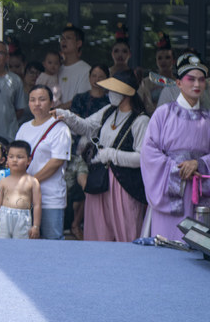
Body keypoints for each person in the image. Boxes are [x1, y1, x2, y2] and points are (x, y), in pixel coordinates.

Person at [55, 71, 149, 242]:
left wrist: (113, 154)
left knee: (126, 231)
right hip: (100, 179)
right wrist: (67, 117)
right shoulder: (109, 111)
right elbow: (87, 126)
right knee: (98, 231)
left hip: (124, 184)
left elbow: (142, 158)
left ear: (126, 93)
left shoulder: (141, 120)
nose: (109, 94)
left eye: (113, 90)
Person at [140, 53, 210, 239]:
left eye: (201, 80)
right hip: (169, 192)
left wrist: (198, 164)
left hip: (199, 190)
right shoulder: (163, 114)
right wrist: (175, 169)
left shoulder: (208, 119)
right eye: (191, 79)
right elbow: (149, 152)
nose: (196, 84)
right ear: (178, 83)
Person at [16, 85, 72, 240]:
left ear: (52, 103)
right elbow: (16, 157)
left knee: (52, 243)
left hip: (50, 198)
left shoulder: (60, 129)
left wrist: (31, 182)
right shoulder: (24, 128)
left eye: (42, 99)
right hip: (25, 198)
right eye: (32, 100)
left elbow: (56, 162)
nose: (37, 104)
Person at [64, 64, 111, 239]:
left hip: (97, 150)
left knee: (88, 187)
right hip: (76, 147)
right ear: (89, 77)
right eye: (94, 75)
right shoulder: (79, 98)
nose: (97, 79)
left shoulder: (109, 102)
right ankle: (69, 223)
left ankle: (78, 223)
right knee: (70, 187)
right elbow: (74, 122)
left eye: (101, 76)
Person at [0, 140, 41, 239]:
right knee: (1, 245)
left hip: (23, 217)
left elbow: (37, 205)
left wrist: (36, 226)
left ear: (29, 160)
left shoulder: (32, 182)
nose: (15, 160)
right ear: (7, 159)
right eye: (11, 157)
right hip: (4, 216)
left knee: (21, 247)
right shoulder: (3, 181)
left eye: (19, 157)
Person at [138, 32, 174, 115]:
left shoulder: (179, 83)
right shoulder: (147, 82)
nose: (163, 61)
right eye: (160, 58)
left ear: (173, 60)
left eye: (167, 57)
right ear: (156, 61)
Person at [56, 24, 91, 109]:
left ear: (78, 43)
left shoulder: (86, 70)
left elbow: (82, 99)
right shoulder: (56, 68)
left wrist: (57, 110)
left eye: (68, 38)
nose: (63, 41)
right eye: (62, 38)